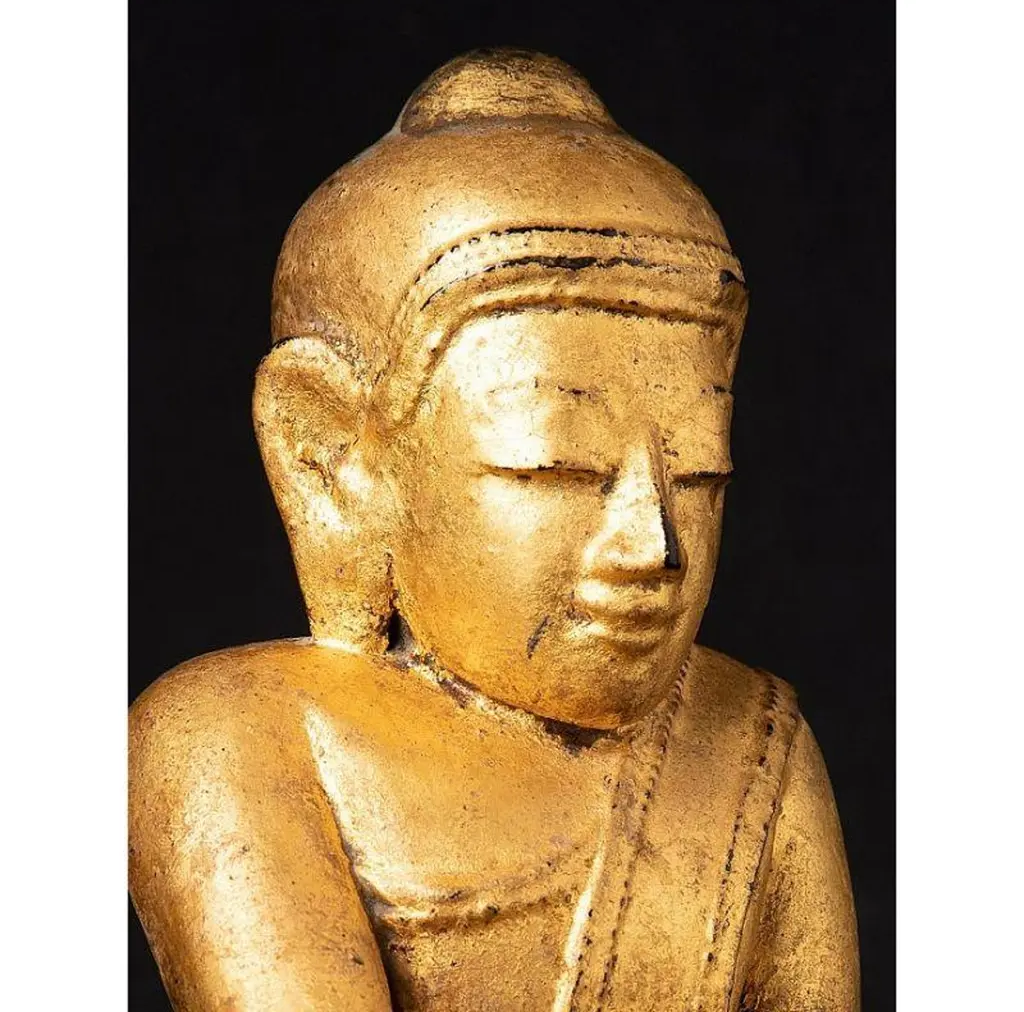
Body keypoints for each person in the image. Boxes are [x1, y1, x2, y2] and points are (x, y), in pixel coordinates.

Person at [129, 49, 860, 1011]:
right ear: (331, 457)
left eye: (698, 470)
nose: (654, 546)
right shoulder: (243, 739)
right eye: (554, 467)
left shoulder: (754, 748)